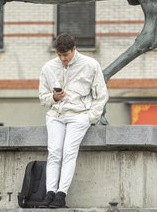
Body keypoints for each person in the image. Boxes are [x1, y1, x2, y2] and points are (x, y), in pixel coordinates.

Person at [38, 33, 109, 208]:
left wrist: (90, 117)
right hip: (56, 116)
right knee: (54, 152)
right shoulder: (48, 68)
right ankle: (50, 193)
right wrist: (53, 97)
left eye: (66, 55)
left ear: (74, 49)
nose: (62, 59)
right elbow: (42, 98)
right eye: (59, 55)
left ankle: (61, 195)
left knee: (69, 151)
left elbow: (101, 95)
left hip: (79, 115)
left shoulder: (91, 65)